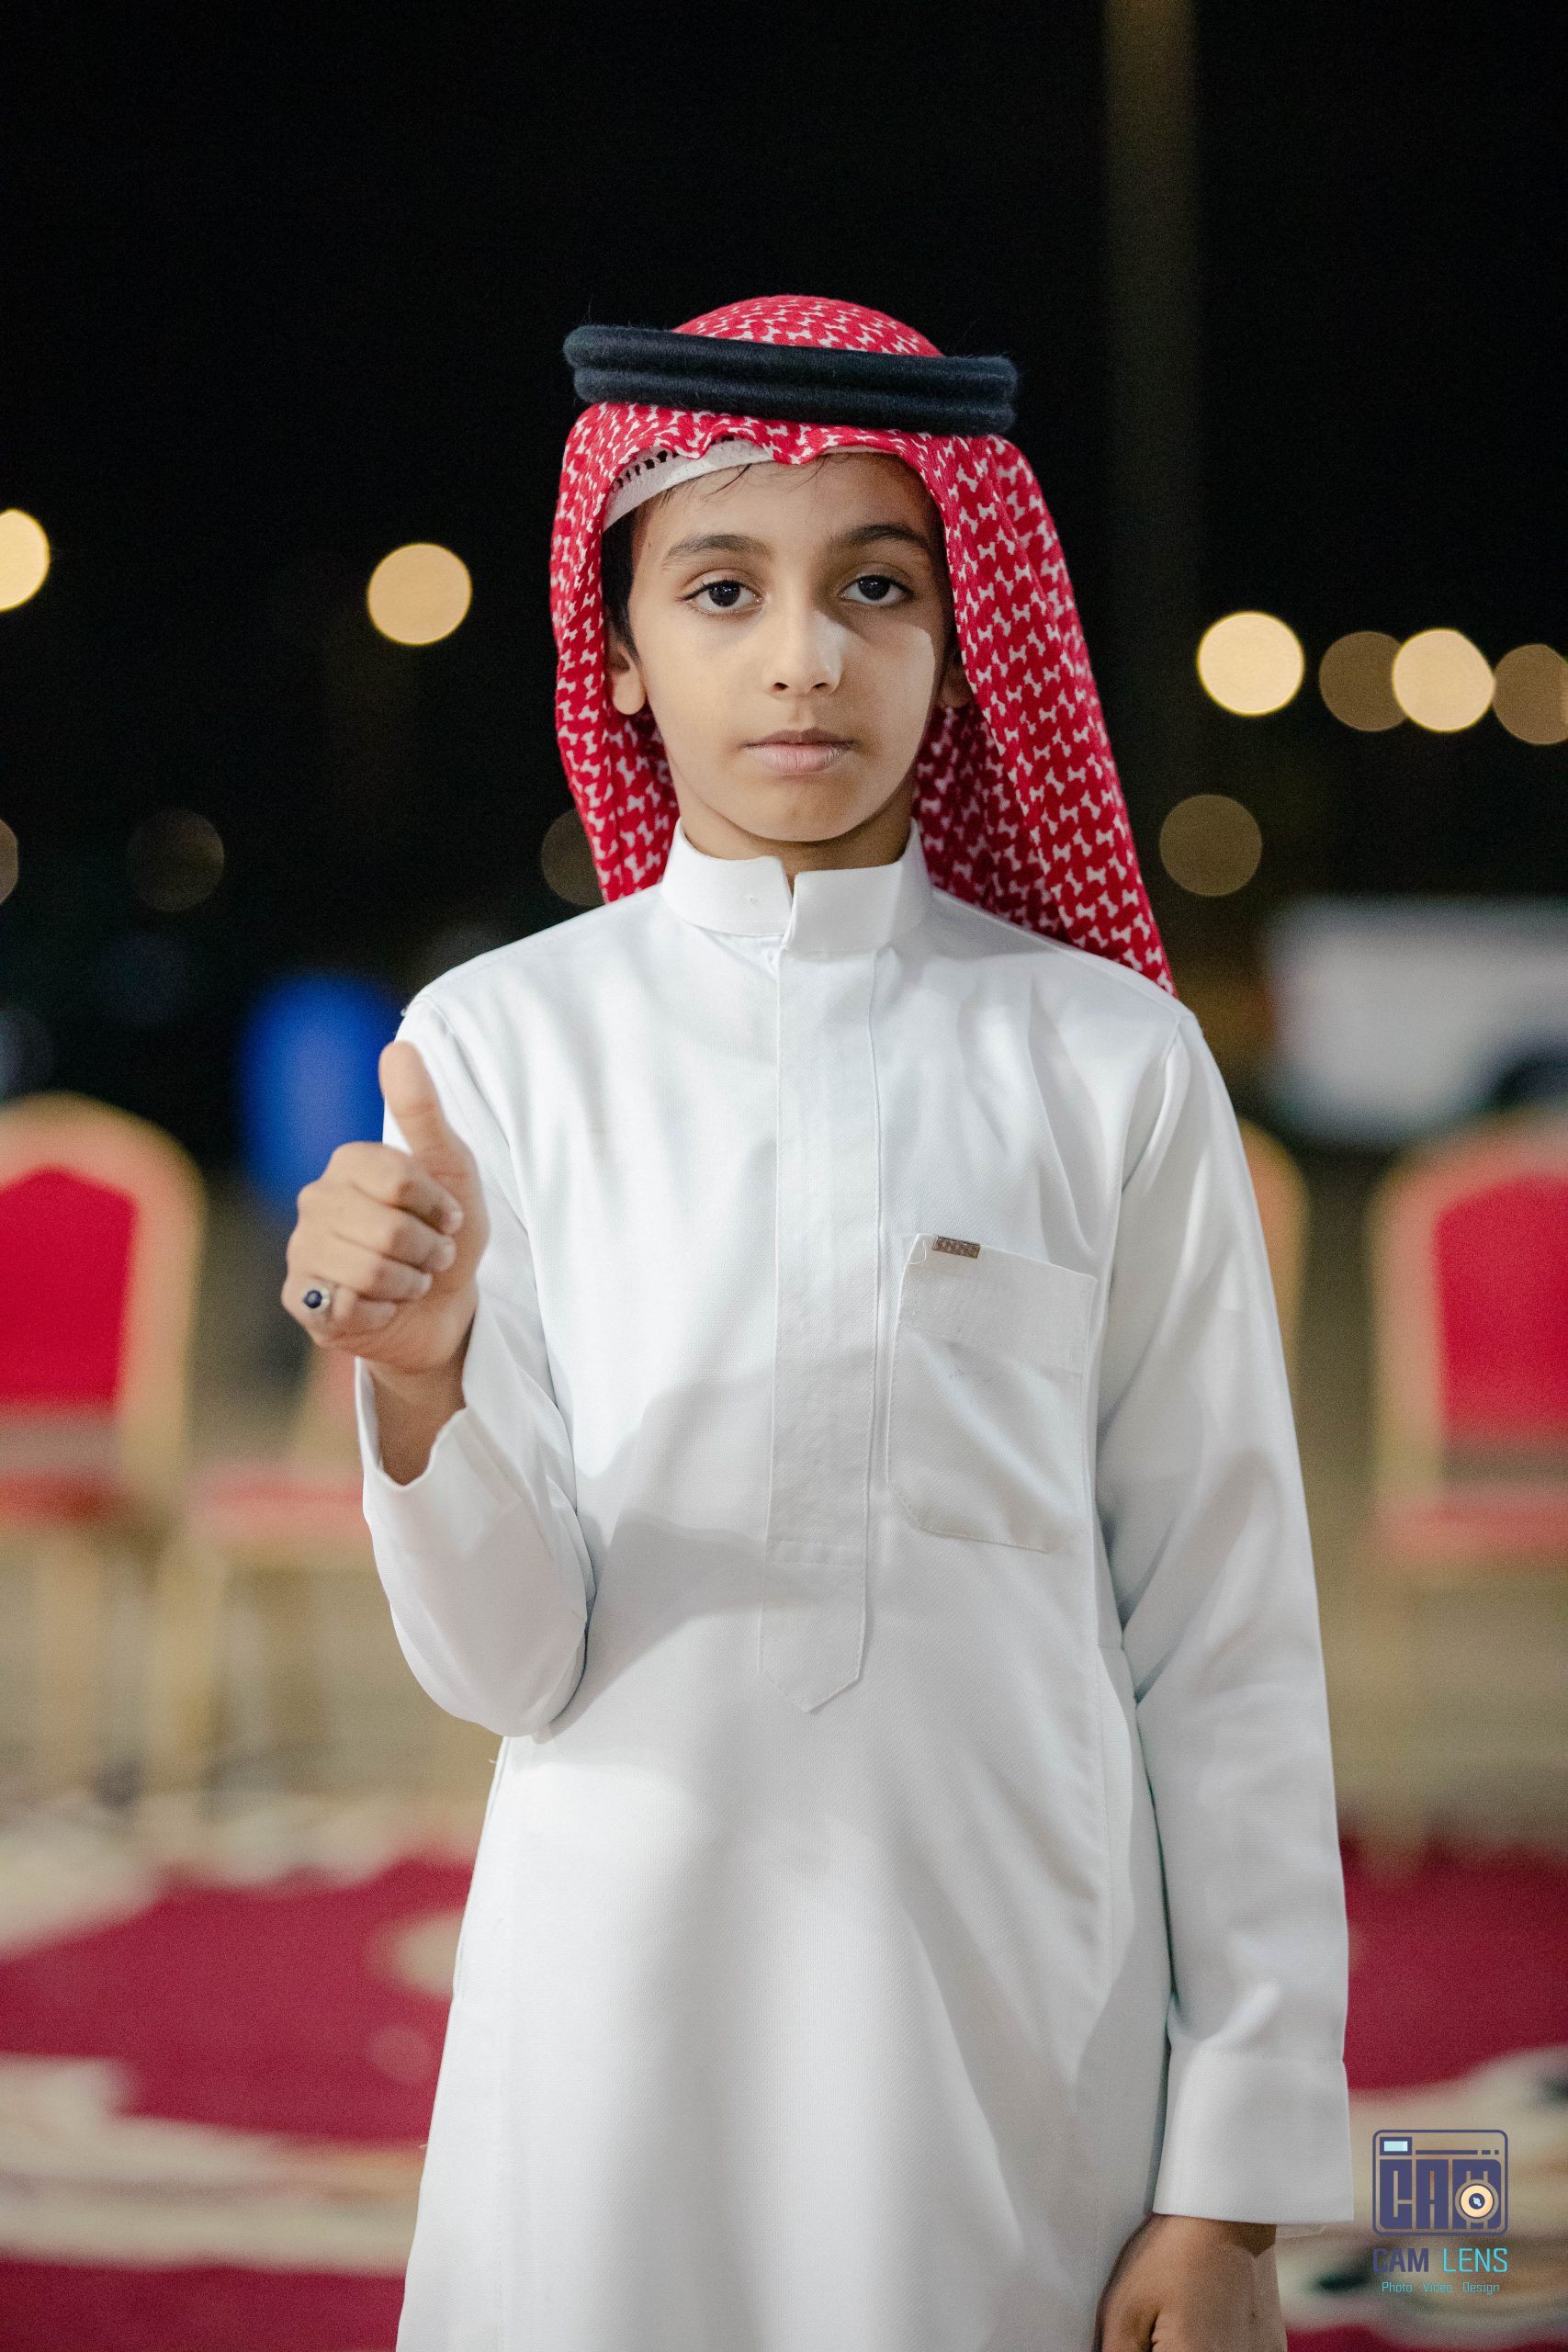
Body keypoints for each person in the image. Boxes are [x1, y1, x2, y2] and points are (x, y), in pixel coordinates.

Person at [284, 295, 1354, 2350]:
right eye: (721, 588)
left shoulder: (1109, 1060)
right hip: (613, 2026)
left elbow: (1226, 1636)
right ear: (615, 646)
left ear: (961, 636)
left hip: (1015, 2033)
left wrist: (1227, 2185)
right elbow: (508, 1664)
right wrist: (420, 1387)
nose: (803, 655)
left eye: (875, 585)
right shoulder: (498, 1050)